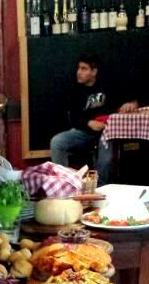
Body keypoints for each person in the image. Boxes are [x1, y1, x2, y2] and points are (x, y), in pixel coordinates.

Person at [49, 54, 138, 186]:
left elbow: (132, 101)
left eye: (84, 69)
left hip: (106, 132)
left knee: (106, 159)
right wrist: (89, 123)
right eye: (78, 68)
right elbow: (73, 118)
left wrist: (131, 104)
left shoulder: (108, 85)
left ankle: (101, 189)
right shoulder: (74, 90)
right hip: (84, 133)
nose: (78, 72)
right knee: (57, 142)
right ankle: (64, 184)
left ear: (94, 71)